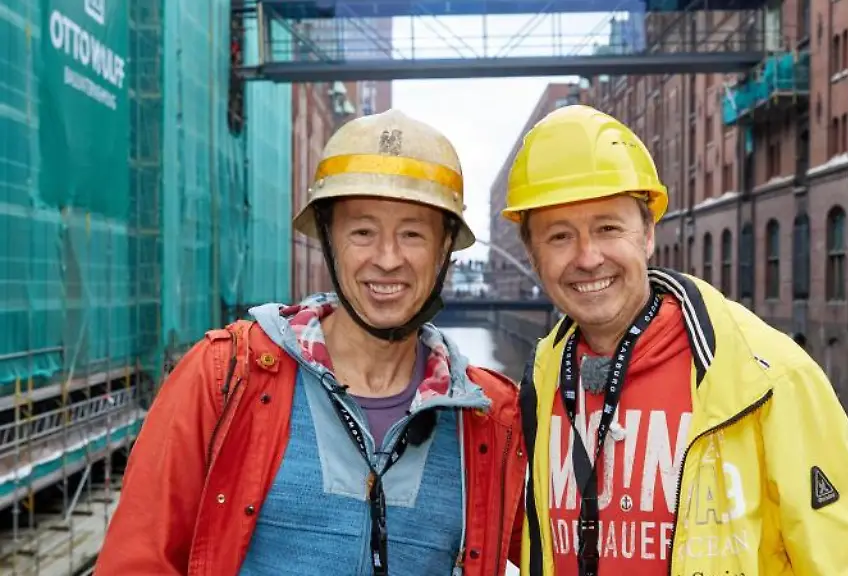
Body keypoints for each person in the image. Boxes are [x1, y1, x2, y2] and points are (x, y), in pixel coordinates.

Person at [95, 109, 526, 575]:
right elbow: (138, 559)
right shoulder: (225, 377)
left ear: (444, 250)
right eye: (362, 231)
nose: (387, 258)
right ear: (328, 238)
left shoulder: (490, 419)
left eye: (412, 234)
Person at [501, 104, 848, 576]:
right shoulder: (542, 383)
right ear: (534, 257)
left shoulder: (767, 378)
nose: (588, 257)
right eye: (559, 237)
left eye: (608, 228)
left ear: (649, 234)